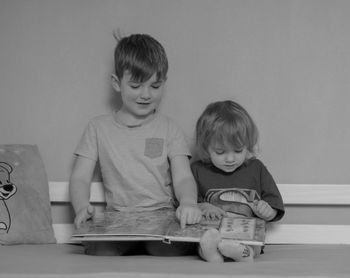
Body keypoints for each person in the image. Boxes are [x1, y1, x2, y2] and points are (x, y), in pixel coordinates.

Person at [69, 33, 202, 256]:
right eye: (136, 86)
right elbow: (80, 177)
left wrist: (189, 202)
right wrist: (82, 207)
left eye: (155, 86)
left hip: (161, 216)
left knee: (169, 251)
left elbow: (183, 177)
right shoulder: (98, 128)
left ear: (164, 83)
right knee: (98, 252)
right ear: (116, 83)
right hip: (118, 219)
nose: (146, 95)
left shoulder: (169, 128)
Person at [191, 100, 285, 262]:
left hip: (248, 234)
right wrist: (203, 206)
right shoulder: (198, 170)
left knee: (251, 244)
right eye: (220, 152)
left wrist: (269, 212)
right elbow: (187, 202)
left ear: (247, 145)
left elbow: (273, 202)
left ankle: (244, 253)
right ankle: (212, 255)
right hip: (214, 231)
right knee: (206, 240)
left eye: (238, 150)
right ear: (206, 147)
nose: (229, 159)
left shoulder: (256, 168)